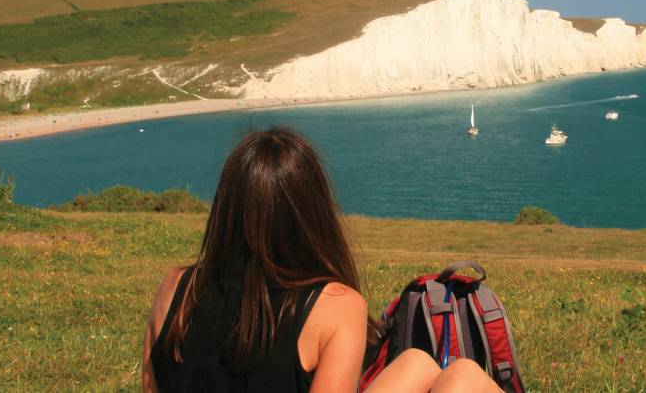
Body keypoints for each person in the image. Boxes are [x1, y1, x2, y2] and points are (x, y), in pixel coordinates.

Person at [141, 127, 501, 392]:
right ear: (312, 213)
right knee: (465, 379)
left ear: (228, 207)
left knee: (419, 363)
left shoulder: (176, 287)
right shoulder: (335, 306)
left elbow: (151, 384)